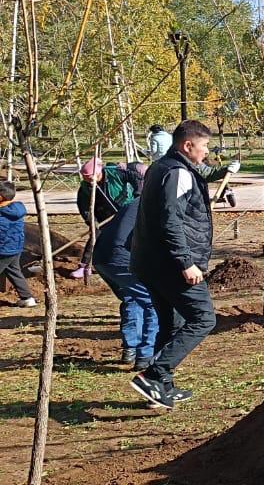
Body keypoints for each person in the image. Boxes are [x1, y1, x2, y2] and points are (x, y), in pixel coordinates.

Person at [129, 120, 232, 409]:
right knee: (203, 319)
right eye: (204, 146)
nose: (206, 152)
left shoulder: (161, 167)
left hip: (150, 262)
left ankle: (159, 389)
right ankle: (154, 374)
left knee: (171, 324)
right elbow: (169, 221)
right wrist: (186, 262)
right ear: (188, 145)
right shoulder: (176, 173)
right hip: (170, 264)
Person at [92, 195, 157, 369]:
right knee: (154, 302)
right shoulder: (155, 204)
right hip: (121, 257)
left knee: (132, 297)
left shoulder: (136, 203)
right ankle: (146, 356)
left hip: (102, 256)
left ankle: (131, 350)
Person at [71, 157, 143, 279]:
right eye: (85, 177)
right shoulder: (85, 188)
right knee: (96, 236)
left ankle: (136, 261)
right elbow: (83, 206)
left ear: (98, 173)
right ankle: (84, 266)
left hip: (124, 210)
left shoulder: (115, 173)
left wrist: (138, 195)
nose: (87, 179)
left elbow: (136, 178)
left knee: (132, 236)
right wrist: (91, 221)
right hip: (103, 216)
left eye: (89, 176)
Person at [0, 182, 36, 309]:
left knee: (13, 271)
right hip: (15, 248)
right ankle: (27, 298)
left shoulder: (2, 215)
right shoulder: (16, 209)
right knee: (14, 272)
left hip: (3, 251)